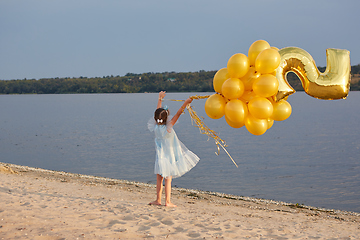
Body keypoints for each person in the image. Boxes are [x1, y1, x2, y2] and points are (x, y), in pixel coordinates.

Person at [147, 91, 200, 207]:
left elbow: (158, 111)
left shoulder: (156, 127)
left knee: (159, 179)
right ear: (167, 118)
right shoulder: (169, 127)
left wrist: (160, 98)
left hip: (159, 157)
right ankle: (167, 202)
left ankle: (158, 200)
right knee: (168, 180)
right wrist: (186, 102)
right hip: (169, 157)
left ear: (156, 119)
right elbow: (179, 113)